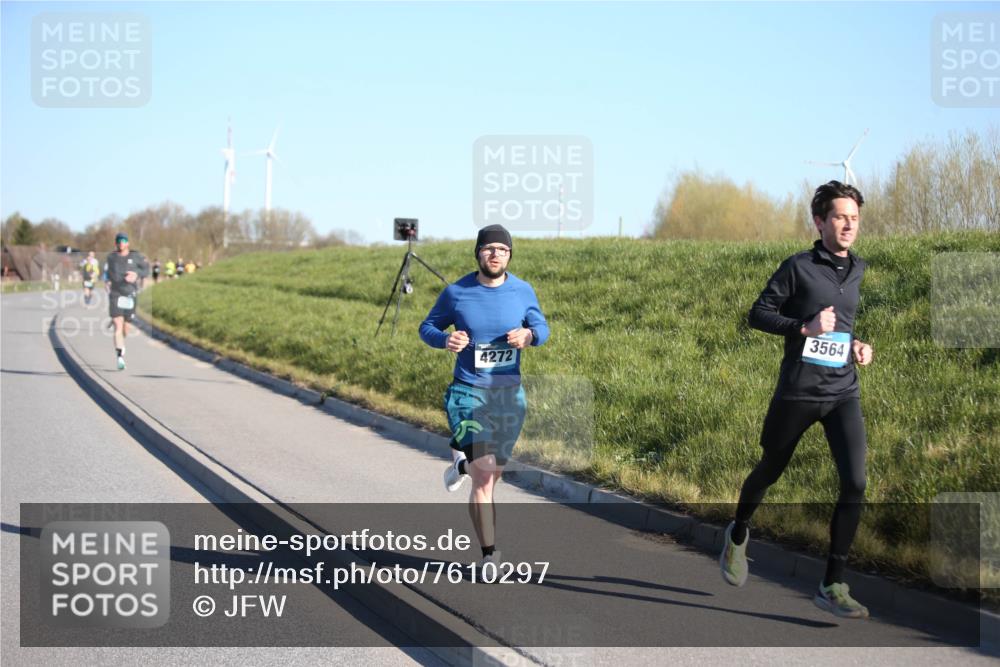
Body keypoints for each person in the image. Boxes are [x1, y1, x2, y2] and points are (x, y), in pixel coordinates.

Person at [720, 181, 874, 618]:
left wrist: (857, 344)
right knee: (770, 468)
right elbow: (759, 314)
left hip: (843, 390)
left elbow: (840, 325)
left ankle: (831, 583)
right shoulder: (798, 267)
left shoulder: (858, 269)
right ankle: (738, 533)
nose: (848, 225)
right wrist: (804, 328)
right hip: (799, 392)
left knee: (856, 482)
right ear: (820, 221)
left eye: (855, 218)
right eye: (840, 217)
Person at [419, 224, 549, 570]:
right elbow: (427, 326)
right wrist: (444, 340)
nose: (495, 254)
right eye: (489, 249)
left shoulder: (522, 291)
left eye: (502, 250)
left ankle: (461, 464)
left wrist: (530, 334)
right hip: (467, 394)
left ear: (509, 255)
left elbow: (543, 328)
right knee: (485, 473)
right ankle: (490, 556)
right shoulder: (457, 292)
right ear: (478, 253)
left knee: (492, 476)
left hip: (508, 398)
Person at [105, 232, 149, 370]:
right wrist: (106, 281)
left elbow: (146, 270)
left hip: (130, 294)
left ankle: (121, 341)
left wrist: (137, 275)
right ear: (115, 243)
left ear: (128, 243)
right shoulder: (111, 258)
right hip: (116, 294)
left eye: (123, 240)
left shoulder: (136, 256)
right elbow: (106, 272)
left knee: (126, 328)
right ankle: (120, 356)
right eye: (118, 241)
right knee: (118, 326)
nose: (121, 243)